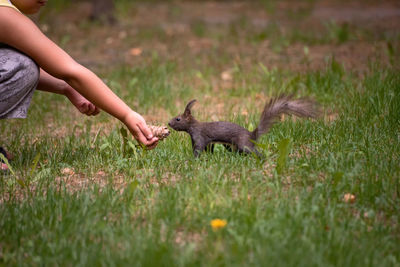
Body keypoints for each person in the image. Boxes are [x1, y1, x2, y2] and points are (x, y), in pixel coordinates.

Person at [0, 0, 159, 170]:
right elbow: (70, 70)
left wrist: (66, 87)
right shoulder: (4, 14)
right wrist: (127, 115)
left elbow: (14, 68)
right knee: (24, 64)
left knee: (23, 63)